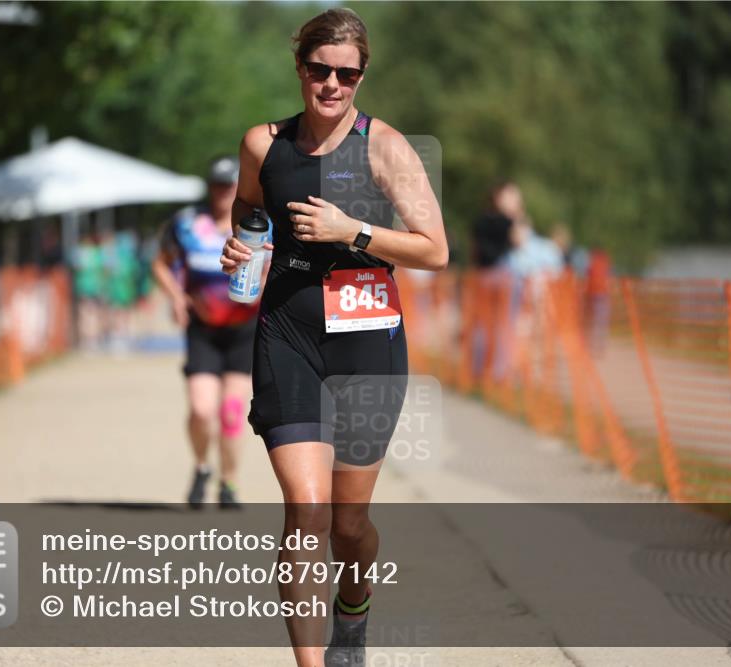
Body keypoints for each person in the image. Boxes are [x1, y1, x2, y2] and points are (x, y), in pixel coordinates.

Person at [219, 8, 448, 666]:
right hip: (287, 332)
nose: (332, 84)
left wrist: (353, 231)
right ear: (300, 68)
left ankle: (354, 607)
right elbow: (247, 207)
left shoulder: (386, 147)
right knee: (307, 510)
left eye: (347, 74)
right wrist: (244, 244)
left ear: (362, 76)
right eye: (320, 70)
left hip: (365, 343)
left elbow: (435, 249)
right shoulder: (263, 144)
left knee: (348, 526)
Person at [152, 155, 270, 509]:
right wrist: (176, 297)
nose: (224, 193)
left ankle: (229, 482)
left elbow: (276, 265)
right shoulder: (188, 223)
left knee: (232, 412)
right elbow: (160, 263)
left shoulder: (259, 224)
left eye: (231, 185)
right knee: (202, 411)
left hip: (243, 328)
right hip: (203, 328)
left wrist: (265, 286)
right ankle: (203, 466)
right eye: (218, 185)